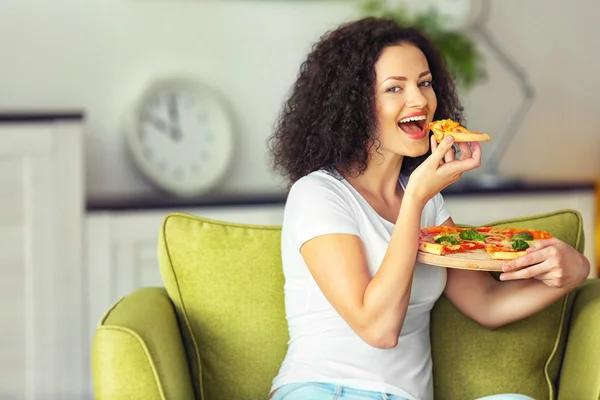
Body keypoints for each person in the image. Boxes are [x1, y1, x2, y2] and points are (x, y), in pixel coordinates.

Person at [266, 17, 590, 400]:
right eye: (394, 88)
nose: (420, 100)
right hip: (324, 390)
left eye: (424, 82)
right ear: (352, 104)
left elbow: (486, 303)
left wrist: (574, 272)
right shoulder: (318, 194)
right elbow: (378, 329)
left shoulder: (428, 200)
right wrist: (416, 199)